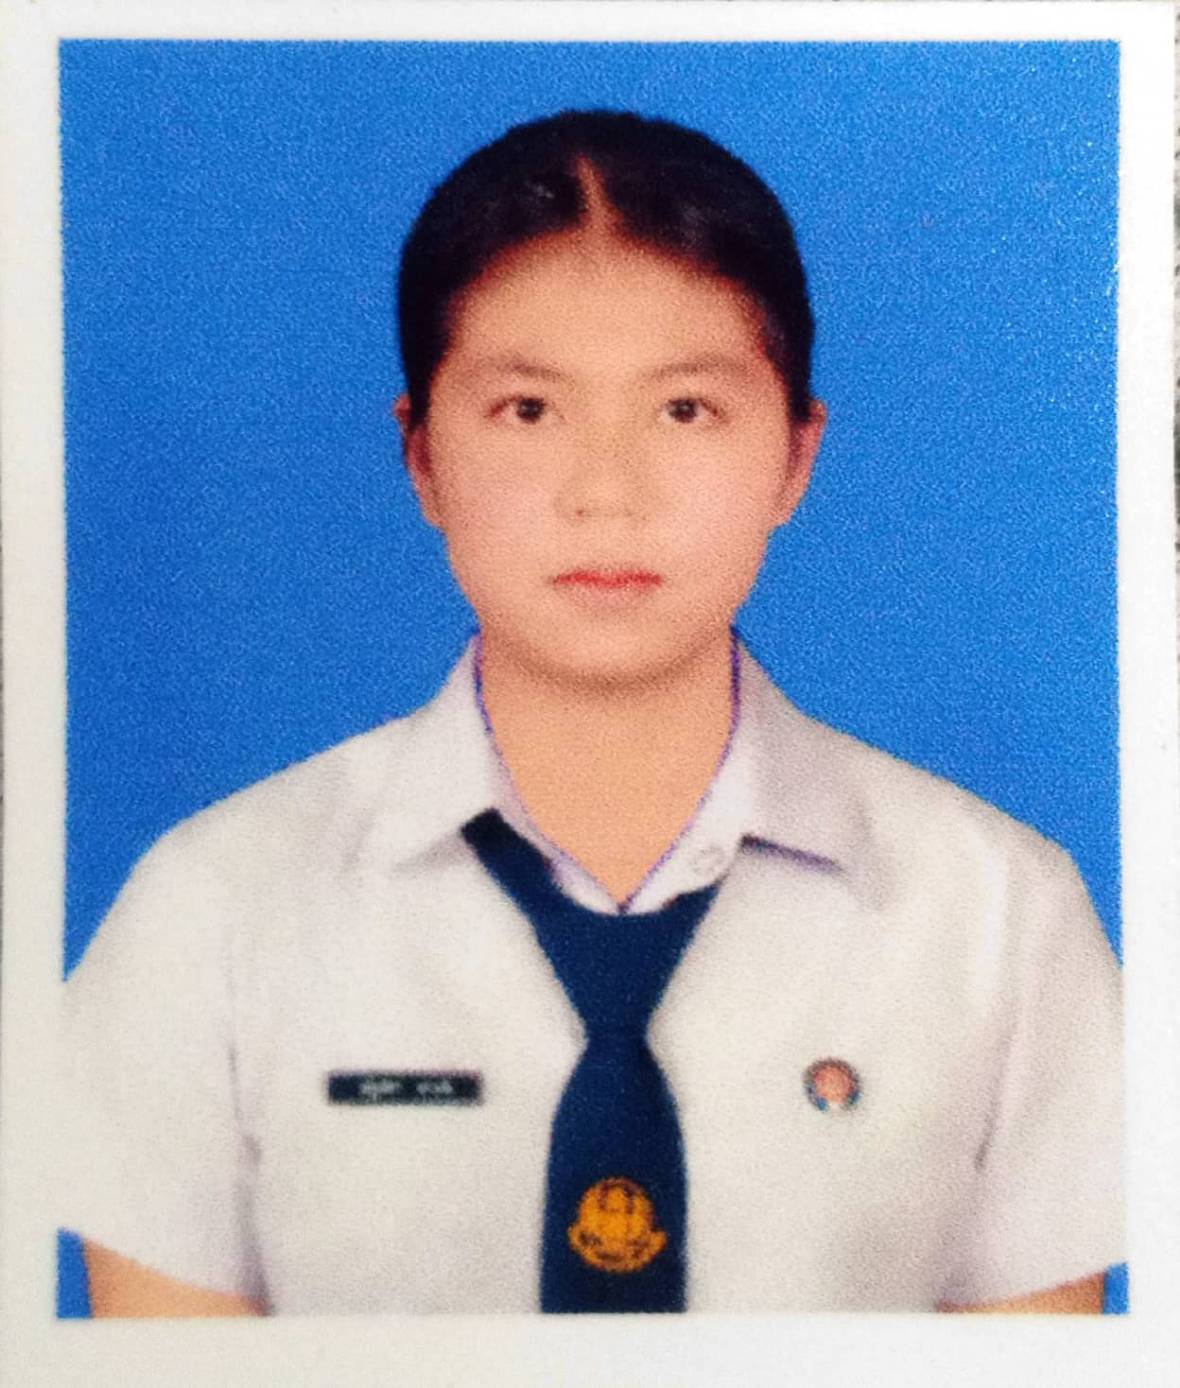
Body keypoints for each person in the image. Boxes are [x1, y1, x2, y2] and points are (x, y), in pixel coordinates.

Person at [61, 109, 1123, 1317]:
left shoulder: (999, 915)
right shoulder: (212, 909)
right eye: (528, 410)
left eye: (684, 411)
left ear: (795, 457)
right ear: (422, 457)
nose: (606, 494)